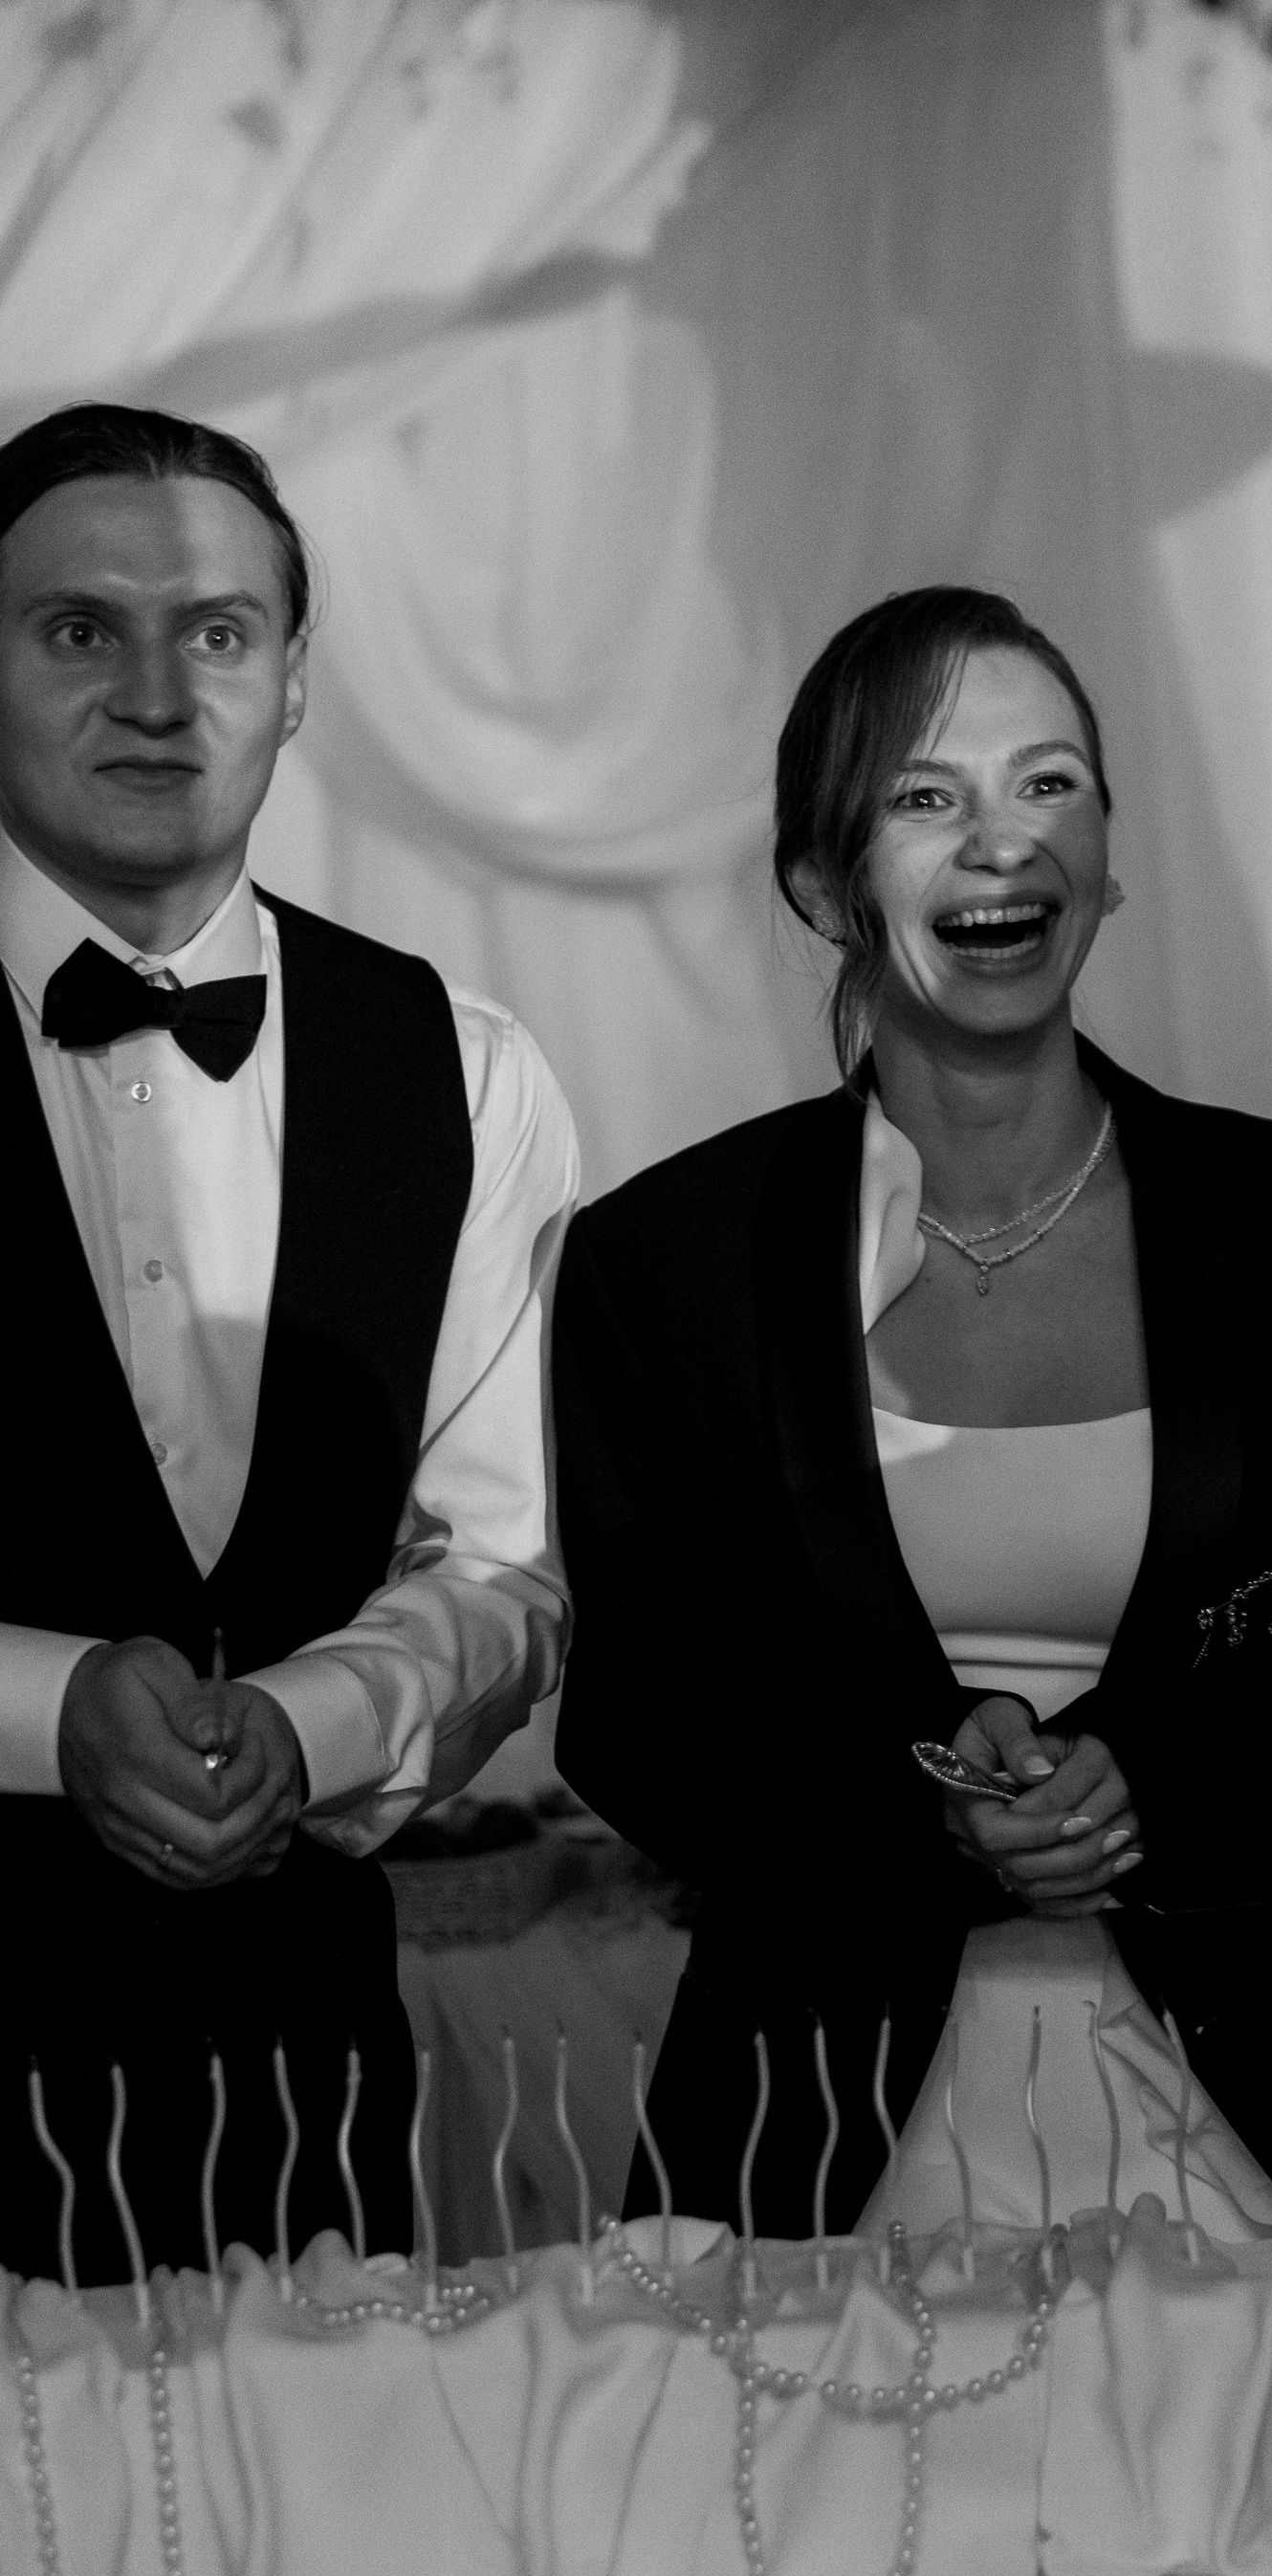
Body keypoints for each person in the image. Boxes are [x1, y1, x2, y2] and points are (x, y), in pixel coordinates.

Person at [555, 586, 1272, 2387]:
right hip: (820, 2136)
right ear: (823, 881)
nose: (1003, 839)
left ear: (1109, 862)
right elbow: (639, 1711)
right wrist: (924, 1812)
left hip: (1264, 2142)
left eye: (1048, 782)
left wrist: (1159, 1791)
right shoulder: (659, 1268)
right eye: (928, 797)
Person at [0, 405, 577, 2284]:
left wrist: (314, 1723)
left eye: (219, 634)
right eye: (79, 629)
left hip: (301, 2088)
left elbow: (506, 1566)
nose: (158, 695)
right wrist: (45, 1709)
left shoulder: (465, 1069)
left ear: (297, 680)